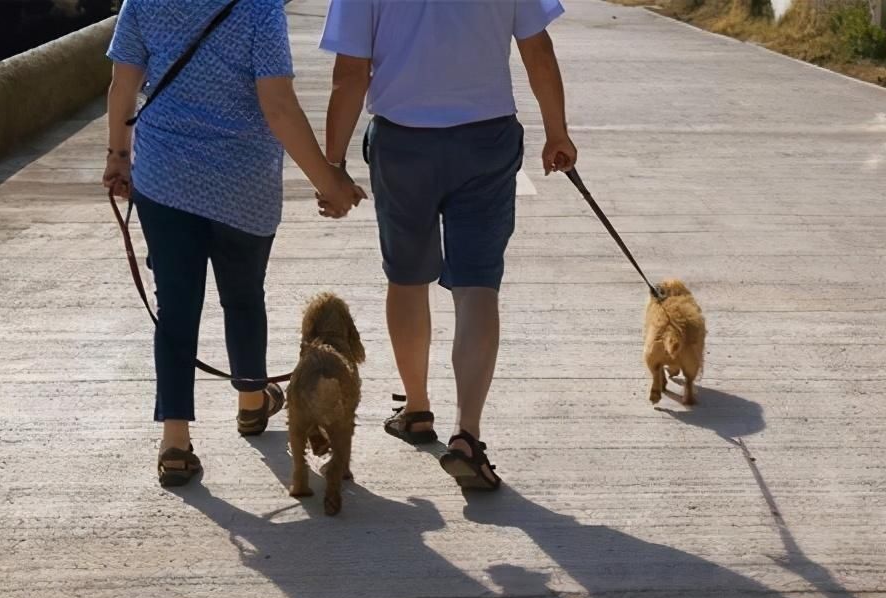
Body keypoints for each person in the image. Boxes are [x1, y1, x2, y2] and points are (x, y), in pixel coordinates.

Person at [103, 0, 367, 488]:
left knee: (176, 307)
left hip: (165, 175)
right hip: (243, 180)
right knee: (243, 297)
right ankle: (250, 402)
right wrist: (328, 181)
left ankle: (175, 442)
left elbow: (123, 83)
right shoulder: (260, 9)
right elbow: (278, 106)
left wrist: (118, 156)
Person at [320, 0, 576, 491]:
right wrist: (556, 132)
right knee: (477, 283)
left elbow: (350, 74)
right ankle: (467, 435)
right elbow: (537, 50)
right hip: (486, 140)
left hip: (403, 143)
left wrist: (332, 165)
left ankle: (417, 409)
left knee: (407, 276)